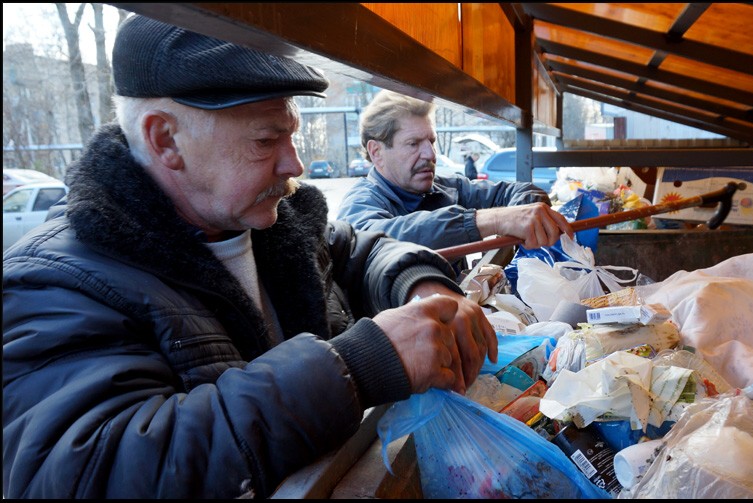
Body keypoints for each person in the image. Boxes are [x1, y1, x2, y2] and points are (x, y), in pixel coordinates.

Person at [2, 15, 497, 499]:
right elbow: (87, 472)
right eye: (265, 140)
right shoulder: (54, 284)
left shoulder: (273, 219)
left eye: (291, 133)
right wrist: (355, 368)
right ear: (165, 138)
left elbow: (362, 251)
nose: (295, 163)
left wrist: (420, 285)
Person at [335, 90, 573, 272]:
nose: (430, 155)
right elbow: (376, 241)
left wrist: (526, 215)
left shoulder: (447, 189)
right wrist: (491, 220)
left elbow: (519, 192)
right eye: (413, 144)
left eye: (431, 141)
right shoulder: (359, 206)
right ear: (376, 151)